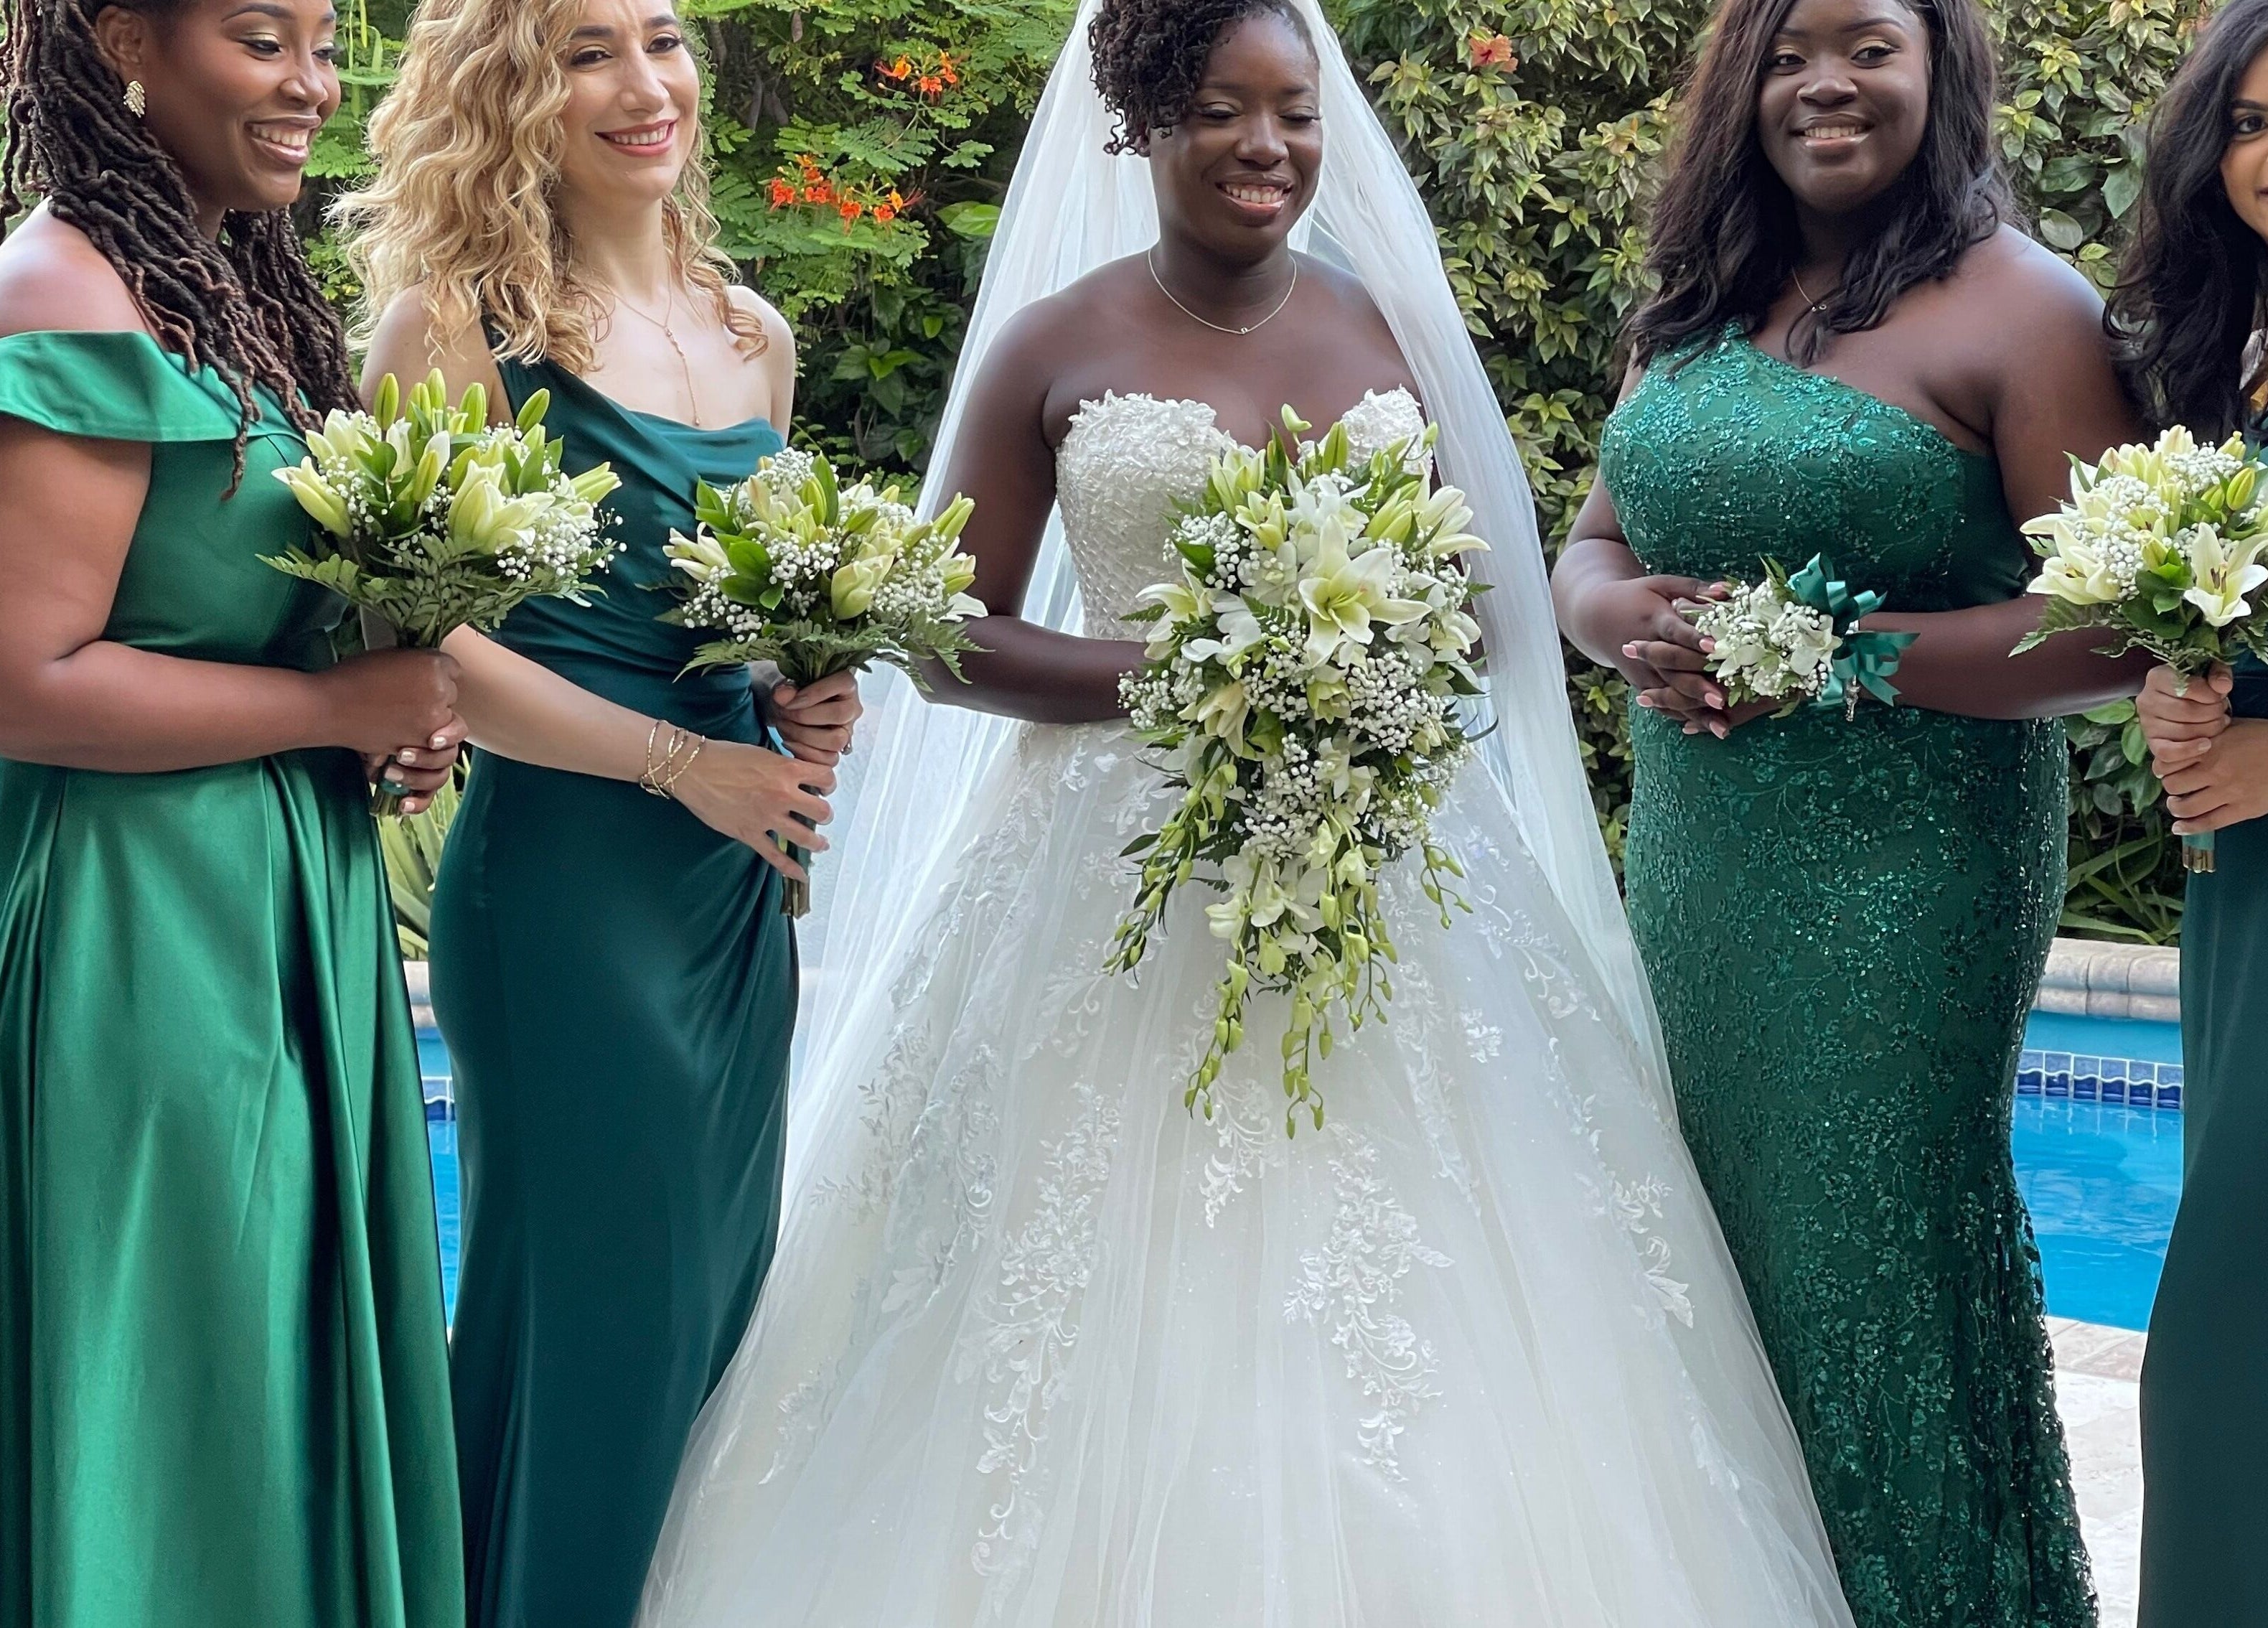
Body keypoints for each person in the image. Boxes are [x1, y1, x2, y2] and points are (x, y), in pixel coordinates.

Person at [632, 2, 1860, 1624]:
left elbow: (1475, 600)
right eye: (1219, 109)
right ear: (1143, 123)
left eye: (1293, 112)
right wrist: (1188, 676)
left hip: (1386, 858)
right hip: (1107, 877)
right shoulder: (1054, 343)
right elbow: (940, 633)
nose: (1264, 147)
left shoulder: (1390, 330)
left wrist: (1359, 669)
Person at [1550, 0, 2147, 1621]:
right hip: (1701, 854)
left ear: (1939, 67)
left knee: (1864, 1236)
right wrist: (1613, 619)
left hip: (1910, 872)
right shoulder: (1695, 301)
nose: (1827, 83)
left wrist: (1835, 655)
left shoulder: (2026, 308)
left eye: (1870, 45)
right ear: (1740, 84)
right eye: (1790, 51)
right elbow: (1592, 542)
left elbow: (2108, 625)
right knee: (1709, 1234)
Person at [334, 0, 857, 1621]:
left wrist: (801, 684)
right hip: (567, 889)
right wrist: (686, 765)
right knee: (597, 1329)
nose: (645, 86)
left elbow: (743, 609)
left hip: (734, 893)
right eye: (585, 52)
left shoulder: (753, 332)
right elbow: (432, 650)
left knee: (711, 1310)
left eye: (664, 39)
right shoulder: (455, 330)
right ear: (510, 92)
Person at [0, 1, 467, 1624]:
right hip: (140, 920)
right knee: (187, 1377)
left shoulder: (231, 286)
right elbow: (26, 681)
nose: (313, 87)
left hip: (285, 891)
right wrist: (336, 711)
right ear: (127, 41)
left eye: (325, 45)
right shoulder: (62, 297)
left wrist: (384, 717)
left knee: (270, 1368)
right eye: (263, 40)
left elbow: (228, 615)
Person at [2112, 4, 2268, 1620]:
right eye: (2247, 122)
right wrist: (2174, 678)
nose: (2267, 156)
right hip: (2245, 904)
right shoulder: (2230, 362)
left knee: (2229, 1330)